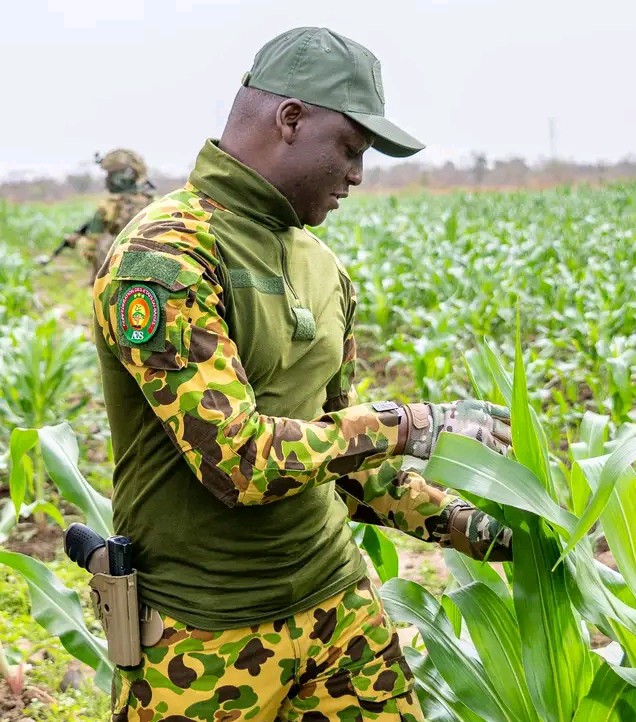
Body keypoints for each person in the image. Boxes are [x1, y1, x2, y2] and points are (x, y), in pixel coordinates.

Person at [91, 27, 513, 722]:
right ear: (291, 119)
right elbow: (242, 463)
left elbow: (347, 459)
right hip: (205, 637)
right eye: (351, 149)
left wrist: (479, 529)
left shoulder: (322, 267)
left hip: (338, 608)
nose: (357, 174)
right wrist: (409, 424)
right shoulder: (165, 258)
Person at [48, 149, 155, 285]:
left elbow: (91, 247)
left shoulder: (109, 206)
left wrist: (77, 243)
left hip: (111, 279)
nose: (107, 179)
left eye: (111, 174)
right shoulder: (154, 203)